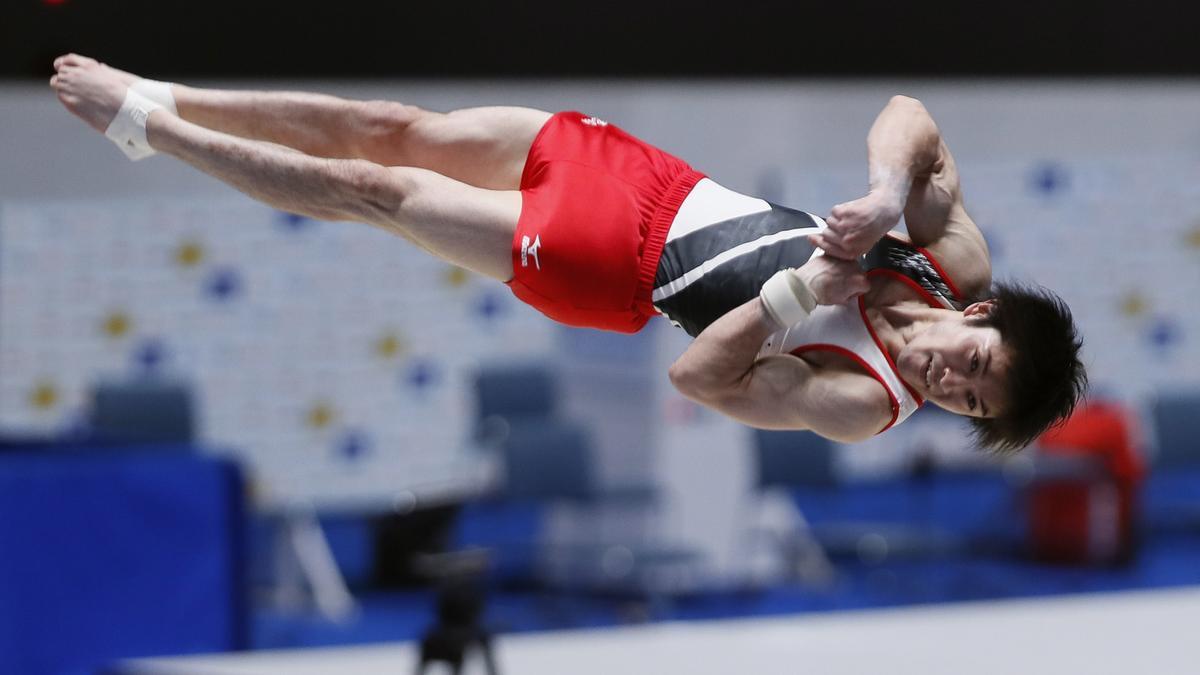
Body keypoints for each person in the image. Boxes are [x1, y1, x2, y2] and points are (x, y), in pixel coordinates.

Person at [49, 54, 1085, 450]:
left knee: (382, 193)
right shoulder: (957, 263)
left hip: (615, 270)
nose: (948, 383)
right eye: (975, 369)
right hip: (649, 177)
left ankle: (153, 133)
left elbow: (699, 378)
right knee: (389, 124)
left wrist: (795, 295)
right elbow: (912, 113)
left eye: (967, 406)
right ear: (980, 319)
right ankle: (166, 93)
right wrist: (883, 194)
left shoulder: (863, 406)